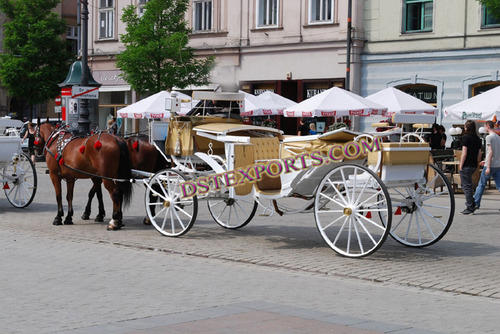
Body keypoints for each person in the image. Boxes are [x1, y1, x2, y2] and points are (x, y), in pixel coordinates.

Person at [473, 120, 500, 211]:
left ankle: (476, 203)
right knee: (499, 185)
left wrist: (487, 165)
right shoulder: (498, 137)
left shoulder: (489, 137)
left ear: (488, 126)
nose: (484, 128)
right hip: (497, 165)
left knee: (481, 185)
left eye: (485, 126)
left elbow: (490, 151)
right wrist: (485, 160)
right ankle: (476, 203)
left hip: (490, 165)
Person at [459, 120, 482, 215]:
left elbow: (464, 153)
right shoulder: (478, 138)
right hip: (473, 165)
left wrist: (461, 165)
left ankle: (470, 206)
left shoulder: (465, 137)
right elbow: (479, 153)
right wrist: (477, 162)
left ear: (467, 127)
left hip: (466, 164)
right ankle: (472, 203)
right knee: (469, 184)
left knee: (466, 186)